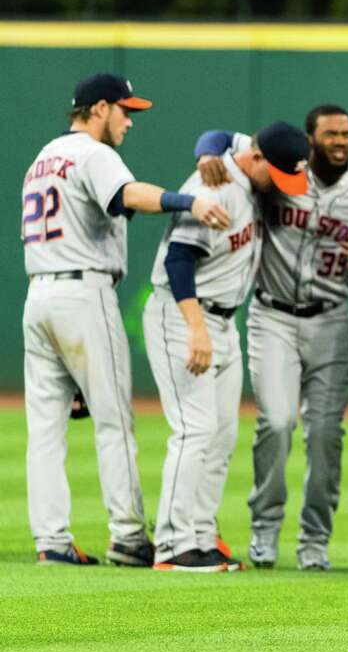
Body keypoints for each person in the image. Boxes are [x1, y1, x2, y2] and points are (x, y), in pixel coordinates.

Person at [23, 72, 229, 566]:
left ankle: (51, 539)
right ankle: (130, 537)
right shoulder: (93, 153)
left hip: (39, 298)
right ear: (98, 109)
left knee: (45, 429)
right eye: (124, 109)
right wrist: (190, 201)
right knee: (114, 420)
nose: (130, 120)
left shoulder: (41, 159)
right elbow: (127, 196)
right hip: (83, 293)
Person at [193, 105, 348, 570]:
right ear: (309, 139)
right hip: (273, 316)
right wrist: (206, 153)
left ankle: (315, 541)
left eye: (347, 133)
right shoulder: (281, 170)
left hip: (331, 320)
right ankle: (264, 530)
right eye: (331, 134)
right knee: (276, 422)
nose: (341, 141)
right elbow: (220, 132)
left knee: (325, 437)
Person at [144, 121, 309, 572]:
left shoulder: (239, 159)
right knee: (194, 430)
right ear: (257, 159)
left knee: (221, 435)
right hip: (184, 315)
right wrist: (195, 328)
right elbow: (179, 259)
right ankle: (173, 544)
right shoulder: (213, 186)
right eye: (276, 174)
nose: (281, 185)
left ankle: (200, 534)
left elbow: (220, 135)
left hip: (223, 321)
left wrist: (207, 147)